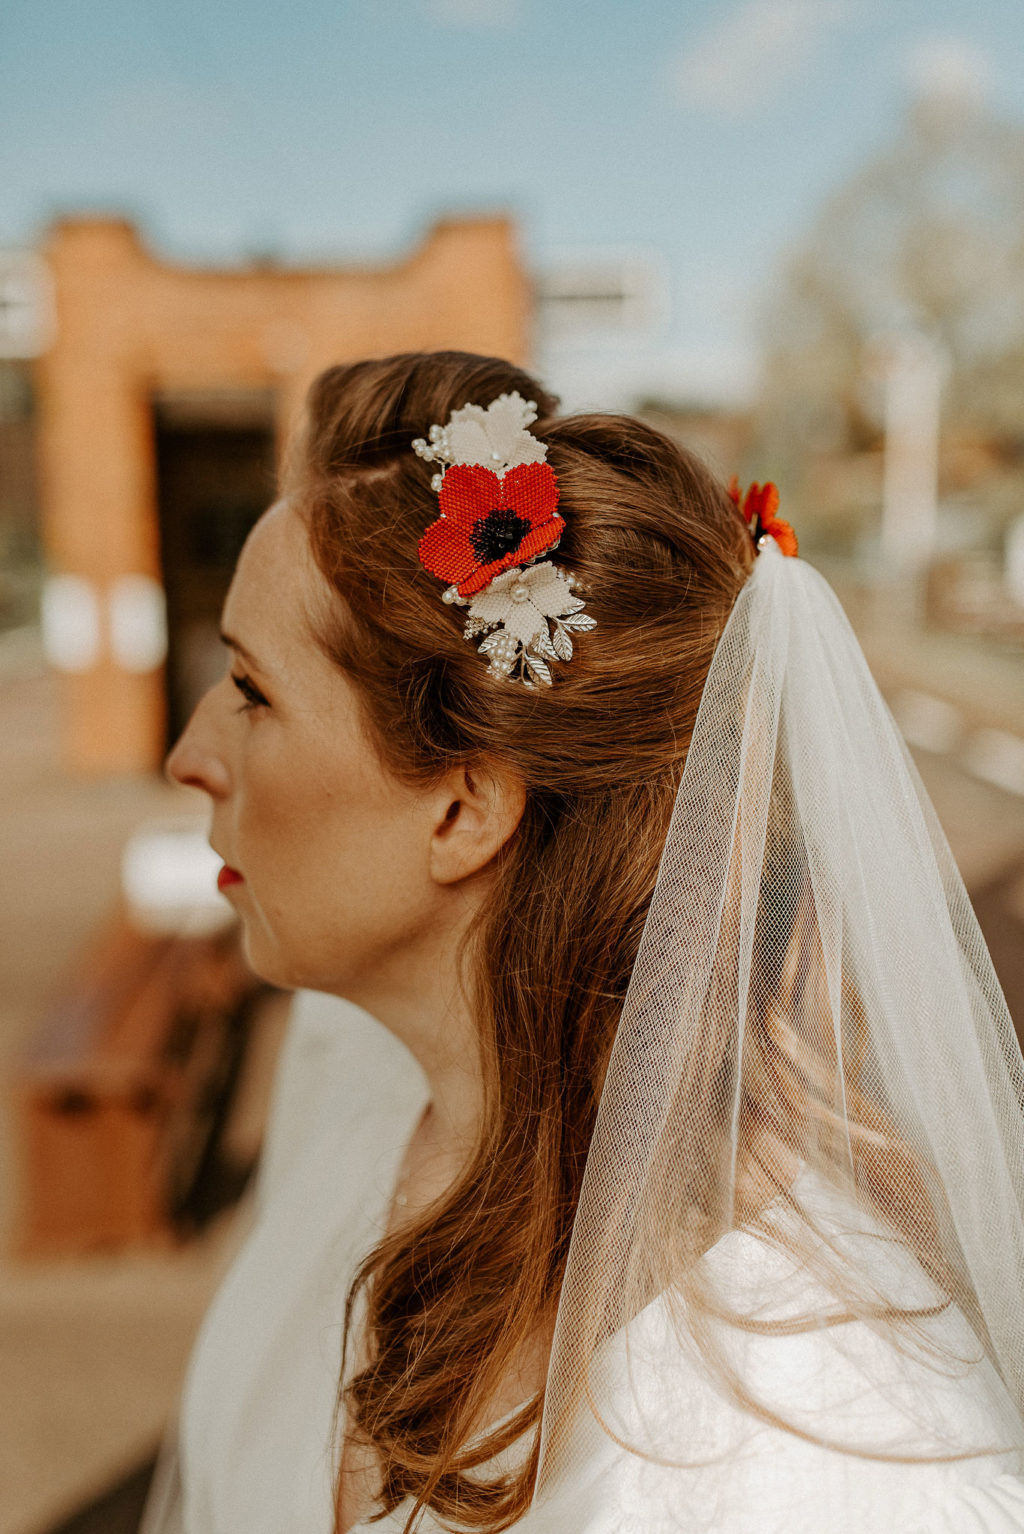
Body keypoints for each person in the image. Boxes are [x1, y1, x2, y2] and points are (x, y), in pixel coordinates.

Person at [143, 350, 1024, 1533]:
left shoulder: (845, 1450)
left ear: (463, 805)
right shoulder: (362, 1114)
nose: (190, 755)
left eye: (252, 690)